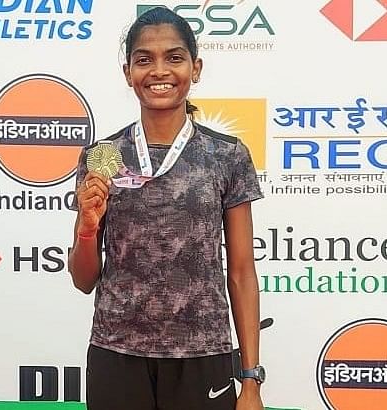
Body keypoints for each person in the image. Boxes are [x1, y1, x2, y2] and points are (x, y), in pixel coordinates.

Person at [67, 6, 265, 410]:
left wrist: (251, 380)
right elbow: (84, 280)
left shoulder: (226, 155)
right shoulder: (103, 155)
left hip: (202, 355)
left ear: (195, 67)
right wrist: (87, 231)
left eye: (174, 57)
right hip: (116, 353)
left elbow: (242, 270)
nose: (159, 71)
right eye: (144, 60)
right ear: (128, 73)